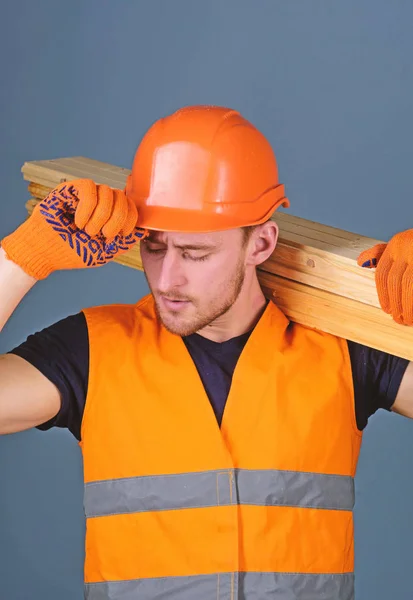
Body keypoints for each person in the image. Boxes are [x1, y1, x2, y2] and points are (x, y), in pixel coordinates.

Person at [0, 105, 412, 600]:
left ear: (261, 243)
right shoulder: (91, 350)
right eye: (154, 247)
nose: (167, 278)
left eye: (195, 254)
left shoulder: (344, 352)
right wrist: (21, 259)